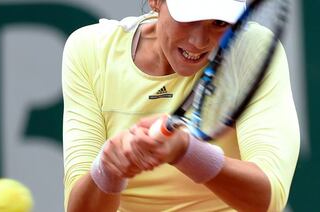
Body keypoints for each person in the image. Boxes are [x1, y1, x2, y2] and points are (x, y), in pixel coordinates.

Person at [62, 0, 300, 211]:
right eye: (189, 19)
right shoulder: (91, 50)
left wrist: (186, 152)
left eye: (219, 22)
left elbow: (268, 201)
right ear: (155, 2)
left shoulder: (251, 48)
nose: (199, 41)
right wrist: (109, 169)